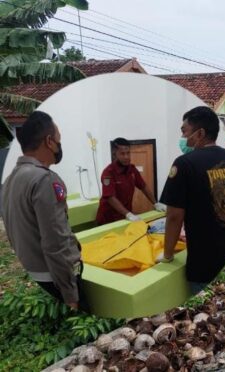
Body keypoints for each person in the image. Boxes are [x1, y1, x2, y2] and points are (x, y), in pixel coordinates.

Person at [157, 106, 225, 294]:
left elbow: (173, 216)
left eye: (184, 131)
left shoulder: (185, 163)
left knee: (206, 313)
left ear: (200, 133)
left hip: (204, 262)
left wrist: (167, 255)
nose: (183, 137)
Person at [2, 111, 85, 309]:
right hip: (55, 276)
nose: (59, 145)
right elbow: (55, 242)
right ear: (49, 141)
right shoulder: (44, 180)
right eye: (59, 140)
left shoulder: (10, 180)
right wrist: (70, 294)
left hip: (34, 270)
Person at [95, 137, 166, 225]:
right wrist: (128, 214)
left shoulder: (132, 169)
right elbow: (110, 197)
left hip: (124, 217)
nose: (126, 157)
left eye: (128, 153)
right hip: (108, 219)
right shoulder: (108, 173)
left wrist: (155, 203)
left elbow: (143, 186)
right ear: (114, 154)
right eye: (122, 154)